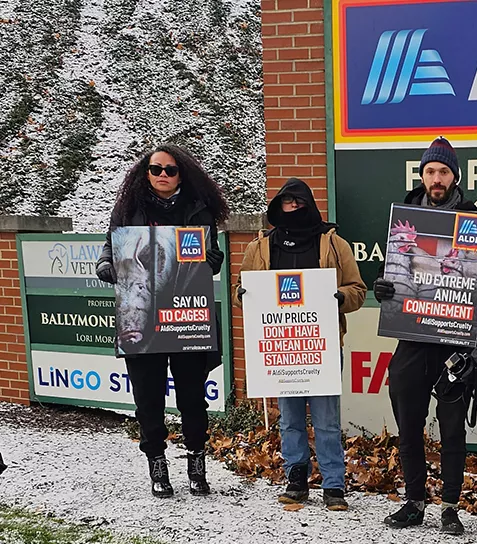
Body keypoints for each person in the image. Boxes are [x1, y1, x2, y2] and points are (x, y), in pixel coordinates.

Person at [373, 137, 477, 535]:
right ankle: (414, 501)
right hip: (412, 339)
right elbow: (396, 275)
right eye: (430, 171)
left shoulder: (474, 223)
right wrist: (385, 289)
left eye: (443, 171)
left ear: (455, 176)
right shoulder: (404, 220)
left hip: (455, 340)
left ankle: (450, 505)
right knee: (408, 421)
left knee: (452, 426)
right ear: (422, 175)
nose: (436, 178)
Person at [96, 145, 229, 498]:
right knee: (148, 399)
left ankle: (197, 465)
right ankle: (157, 464)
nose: (164, 176)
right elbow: (110, 247)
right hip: (141, 316)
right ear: (146, 173)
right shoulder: (128, 210)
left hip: (186, 316)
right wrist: (105, 266)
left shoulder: (198, 210)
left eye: (170, 170)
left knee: (193, 399)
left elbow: (209, 261)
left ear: (181, 173)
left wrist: (213, 258)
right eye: (157, 170)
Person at [233, 178, 366, 510]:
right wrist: (243, 295)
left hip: (320, 346)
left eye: (298, 203)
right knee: (289, 419)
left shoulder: (334, 245)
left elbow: (358, 290)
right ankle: (296, 478)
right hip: (281, 349)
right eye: (286, 203)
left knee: (326, 420)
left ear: (309, 205)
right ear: (277, 207)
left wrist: (339, 298)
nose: (291, 209)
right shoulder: (260, 247)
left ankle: (334, 484)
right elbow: (241, 289)